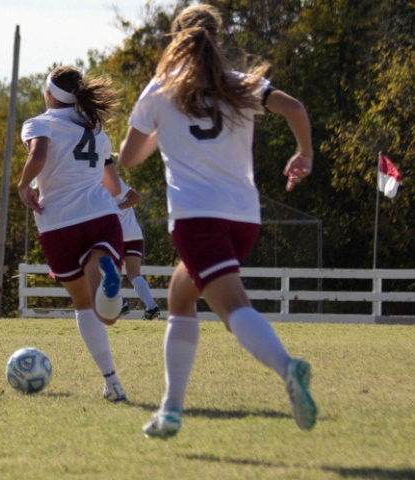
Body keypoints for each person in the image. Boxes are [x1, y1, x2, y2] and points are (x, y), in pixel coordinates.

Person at [118, 4, 317, 438]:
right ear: (217, 37)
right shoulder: (242, 84)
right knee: (180, 295)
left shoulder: (161, 89)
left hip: (196, 217)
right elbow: (295, 108)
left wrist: (159, 130)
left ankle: (288, 368)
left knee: (232, 309)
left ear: (176, 39)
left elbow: (128, 158)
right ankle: (170, 410)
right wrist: (304, 154)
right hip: (244, 218)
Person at [17, 66, 127, 403]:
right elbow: (113, 185)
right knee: (106, 314)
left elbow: (39, 154)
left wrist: (23, 186)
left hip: (59, 223)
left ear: (49, 94)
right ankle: (109, 278)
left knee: (84, 307)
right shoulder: (95, 128)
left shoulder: (39, 123)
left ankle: (113, 382)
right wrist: (121, 198)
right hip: (101, 215)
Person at [103, 168, 161, 320]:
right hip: (134, 234)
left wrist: (116, 209)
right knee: (134, 274)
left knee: (105, 268)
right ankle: (151, 307)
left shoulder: (111, 184)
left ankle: (120, 303)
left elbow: (136, 197)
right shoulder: (102, 185)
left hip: (118, 235)